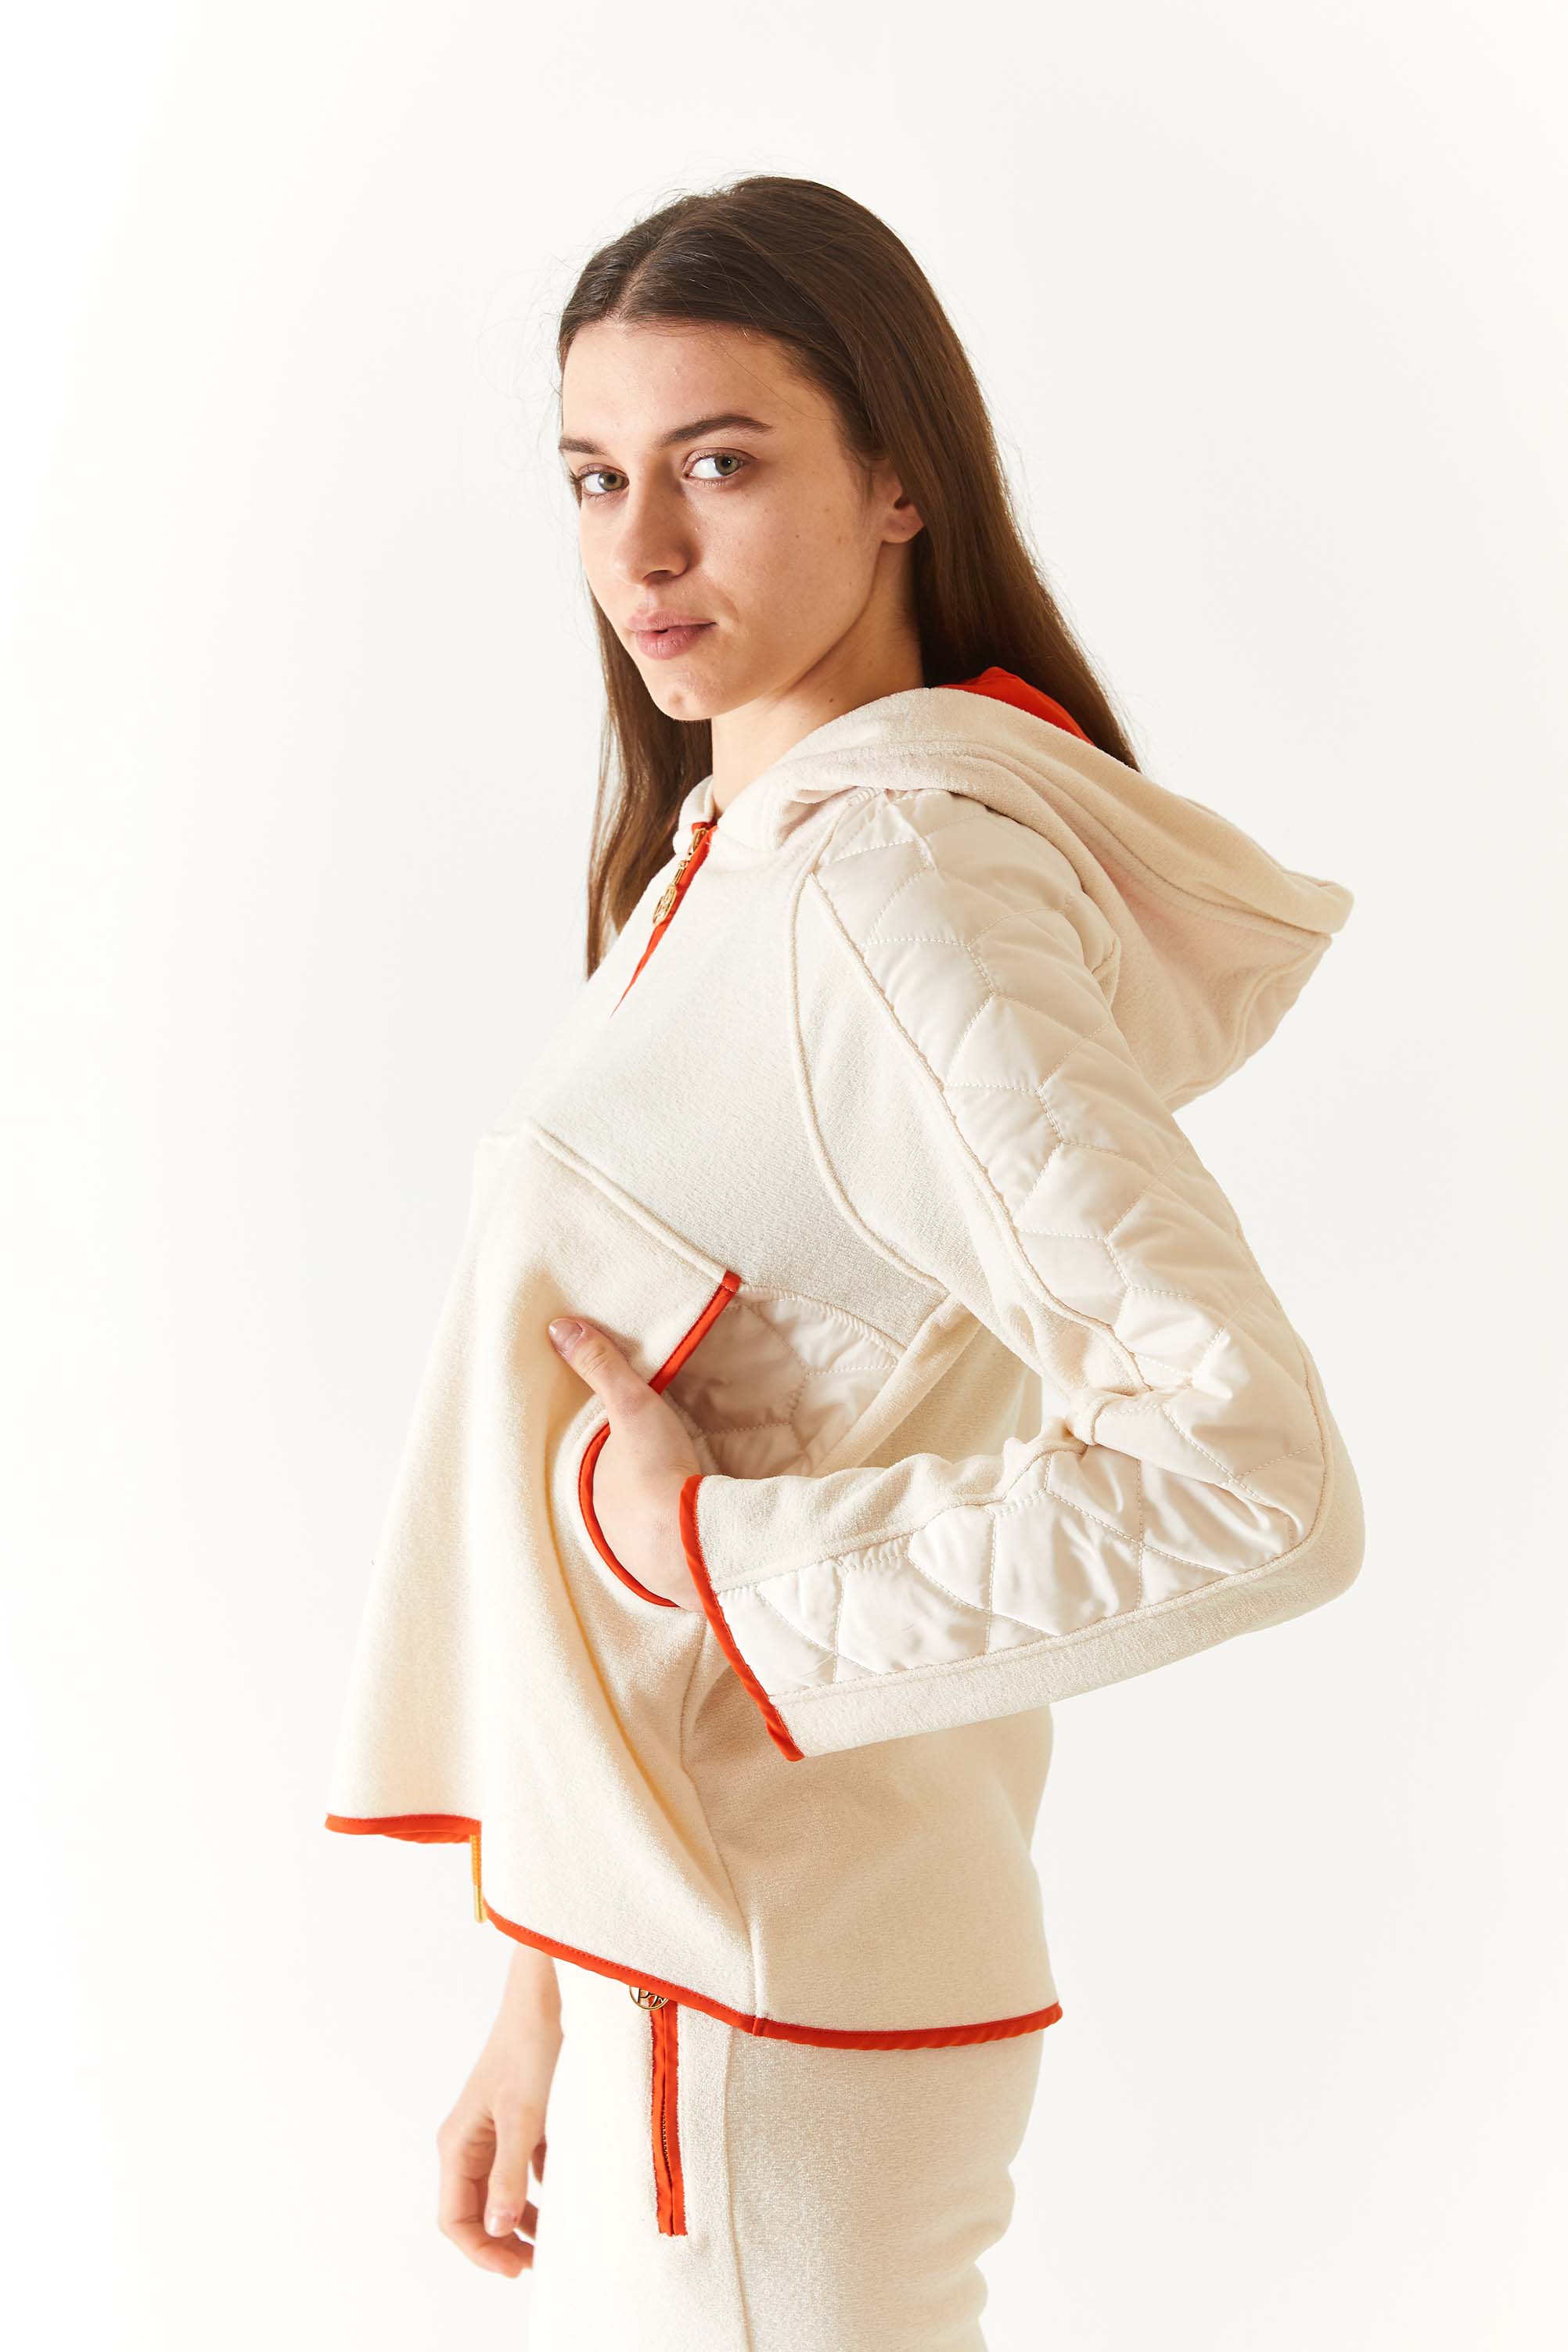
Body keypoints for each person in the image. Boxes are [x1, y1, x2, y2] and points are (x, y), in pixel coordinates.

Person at [322, 174, 1365, 2349]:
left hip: (774, 1995)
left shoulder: (891, 889)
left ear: (898, 480)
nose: (640, 548)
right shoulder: (727, 858)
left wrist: (705, 1554)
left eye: (718, 463)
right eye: (594, 476)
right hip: (677, 1961)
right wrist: (537, 1987)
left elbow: (1247, 1478)